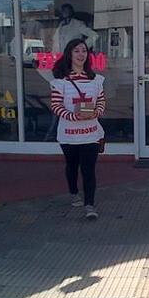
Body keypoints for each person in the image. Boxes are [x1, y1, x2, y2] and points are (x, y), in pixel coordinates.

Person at [50, 38, 106, 220]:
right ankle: (74, 192)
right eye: (76, 51)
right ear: (69, 54)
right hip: (69, 134)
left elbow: (101, 101)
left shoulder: (96, 80)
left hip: (91, 133)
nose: (81, 54)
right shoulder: (60, 81)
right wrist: (74, 116)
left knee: (89, 169)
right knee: (72, 165)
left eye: (83, 50)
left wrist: (96, 112)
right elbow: (56, 105)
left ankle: (90, 205)